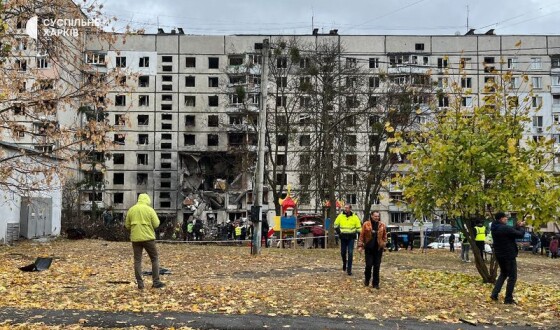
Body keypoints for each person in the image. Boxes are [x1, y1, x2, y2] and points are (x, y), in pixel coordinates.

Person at [124, 193, 165, 289]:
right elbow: (156, 224)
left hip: (135, 238)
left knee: (137, 260)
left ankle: (140, 284)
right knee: (154, 258)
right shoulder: (150, 210)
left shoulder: (131, 210)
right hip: (148, 238)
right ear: (147, 200)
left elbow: (127, 225)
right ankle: (156, 282)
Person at [490, 212, 525, 304]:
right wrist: (521, 227)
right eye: (505, 218)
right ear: (501, 219)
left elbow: (510, 231)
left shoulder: (495, 227)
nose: (507, 219)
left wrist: (516, 226)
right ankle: (508, 299)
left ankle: (494, 294)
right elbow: (519, 234)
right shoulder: (504, 228)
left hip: (499, 254)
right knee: (512, 276)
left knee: (503, 273)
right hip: (508, 255)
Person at [358, 211, 387, 289]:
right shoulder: (366, 224)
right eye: (375, 216)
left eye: (378, 216)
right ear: (371, 216)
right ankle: (367, 279)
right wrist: (360, 246)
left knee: (377, 266)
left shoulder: (382, 225)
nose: (376, 218)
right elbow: (361, 235)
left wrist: (384, 244)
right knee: (369, 265)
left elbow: (385, 236)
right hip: (369, 248)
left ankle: (376, 283)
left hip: (378, 248)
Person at [334, 204, 362, 275]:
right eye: (345, 208)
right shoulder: (340, 216)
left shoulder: (355, 217)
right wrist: (339, 233)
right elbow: (335, 225)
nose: (345, 209)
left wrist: (360, 238)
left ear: (350, 209)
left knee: (350, 253)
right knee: (343, 252)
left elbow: (359, 228)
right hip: (343, 237)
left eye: (347, 208)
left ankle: (349, 269)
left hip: (351, 238)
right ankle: (344, 263)